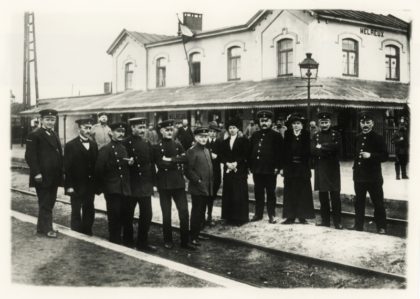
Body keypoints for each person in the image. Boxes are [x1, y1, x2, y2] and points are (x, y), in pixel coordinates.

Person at [153, 119, 195, 250]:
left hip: (178, 183)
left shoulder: (178, 144)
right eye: (167, 130)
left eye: (171, 130)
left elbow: (185, 158)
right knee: (166, 214)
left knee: (184, 212)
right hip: (164, 184)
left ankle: (185, 241)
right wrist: (175, 161)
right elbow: (160, 163)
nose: (170, 132)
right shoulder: (157, 147)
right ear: (161, 131)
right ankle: (168, 240)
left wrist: (171, 159)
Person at [25, 109, 63, 238]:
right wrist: (36, 173)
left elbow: (58, 154)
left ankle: (42, 227)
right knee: (45, 202)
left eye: (53, 120)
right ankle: (48, 229)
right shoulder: (35, 134)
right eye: (48, 119)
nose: (50, 122)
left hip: (54, 175)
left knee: (49, 202)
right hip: (42, 176)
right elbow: (30, 156)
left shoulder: (53, 134)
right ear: (41, 120)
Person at [94, 122, 133, 244]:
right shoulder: (105, 149)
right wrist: (103, 187)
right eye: (118, 131)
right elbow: (99, 170)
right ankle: (115, 239)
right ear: (111, 133)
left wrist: (130, 163)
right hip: (112, 188)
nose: (121, 134)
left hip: (124, 187)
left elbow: (126, 168)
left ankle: (127, 240)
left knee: (126, 214)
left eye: (122, 132)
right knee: (114, 215)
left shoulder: (124, 148)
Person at [123, 117, 157, 252]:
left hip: (145, 186)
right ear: (132, 128)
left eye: (144, 128)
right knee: (128, 214)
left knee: (147, 214)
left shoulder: (147, 143)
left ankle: (142, 242)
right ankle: (127, 241)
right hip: (131, 185)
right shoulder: (125, 143)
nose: (143, 130)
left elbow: (151, 164)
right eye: (140, 128)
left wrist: (153, 183)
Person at [351, 112, 388, 234]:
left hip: (373, 177)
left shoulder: (378, 138)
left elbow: (384, 156)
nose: (365, 125)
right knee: (359, 202)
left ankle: (381, 227)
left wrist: (371, 155)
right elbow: (356, 157)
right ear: (360, 124)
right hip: (360, 177)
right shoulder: (357, 137)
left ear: (372, 123)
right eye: (363, 122)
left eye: (368, 122)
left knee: (378, 202)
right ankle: (358, 226)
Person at [64, 118, 98, 235]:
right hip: (76, 184)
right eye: (85, 128)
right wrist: (69, 186)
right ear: (79, 129)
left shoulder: (93, 145)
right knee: (76, 209)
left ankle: (87, 230)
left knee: (89, 207)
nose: (88, 130)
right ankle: (76, 232)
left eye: (90, 128)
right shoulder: (70, 145)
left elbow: (95, 166)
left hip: (90, 185)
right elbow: (67, 168)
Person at [249, 110, 283, 224]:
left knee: (270, 193)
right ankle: (258, 214)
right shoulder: (255, 135)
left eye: (266, 121)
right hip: (257, 169)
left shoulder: (276, 136)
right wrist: (250, 166)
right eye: (262, 121)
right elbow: (250, 152)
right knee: (258, 192)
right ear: (259, 122)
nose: (264, 123)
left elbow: (280, 153)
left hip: (270, 170)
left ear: (271, 122)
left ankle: (271, 215)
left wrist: (278, 167)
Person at [281, 113, 315, 224]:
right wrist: (283, 168)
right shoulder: (288, 134)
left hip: (302, 167)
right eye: (294, 124)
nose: (296, 126)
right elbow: (284, 152)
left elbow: (309, 152)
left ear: (302, 125)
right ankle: (290, 216)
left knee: (302, 191)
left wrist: (308, 166)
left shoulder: (306, 134)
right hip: (290, 168)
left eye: (298, 123)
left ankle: (302, 216)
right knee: (290, 191)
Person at [311, 112, 343, 229]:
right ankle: (325, 221)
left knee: (335, 196)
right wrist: (329, 147)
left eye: (326, 122)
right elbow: (313, 151)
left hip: (333, 168)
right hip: (321, 168)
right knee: (323, 196)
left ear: (330, 123)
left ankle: (337, 222)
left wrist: (322, 147)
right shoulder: (316, 136)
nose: (324, 124)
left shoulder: (337, 134)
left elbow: (338, 149)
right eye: (322, 122)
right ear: (319, 123)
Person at [185, 127, 213, 246]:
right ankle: (193, 237)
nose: (203, 139)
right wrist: (198, 181)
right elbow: (188, 170)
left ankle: (197, 233)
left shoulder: (206, 150)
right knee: (197, 212)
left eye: (205, 137)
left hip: (207, 187)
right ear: (196, 138)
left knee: (202, 212)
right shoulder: (192, 151)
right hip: (198, 188)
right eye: (201, 137)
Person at [219, 118, 249, 225]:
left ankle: (240, 218)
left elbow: (245, 155)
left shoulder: (243, 141)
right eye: (230, 128)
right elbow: (221, 156)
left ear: (238, 129)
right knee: (229, 192)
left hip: (239, 170)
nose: (232, 130)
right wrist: (226, 163)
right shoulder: (224, 142)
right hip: (228, 171)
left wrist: (236, 163)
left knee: (239, 193)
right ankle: (229, 217)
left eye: (234, 128)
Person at [204, 121, 223, 226]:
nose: (212, 134)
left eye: (214, 132)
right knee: (205, 195)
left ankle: (209, 214)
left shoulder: (220, 143)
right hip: (206, 173)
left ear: (217, 133)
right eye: (210, 131)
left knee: (212, 195)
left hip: (216, 173)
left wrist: (218, 157)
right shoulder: (204, 142)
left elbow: (224, 156)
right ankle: (205, 216)